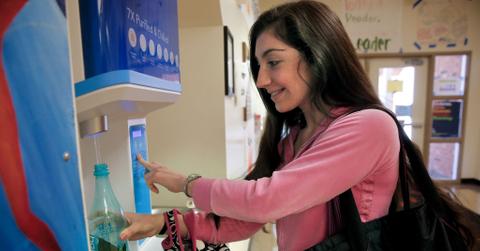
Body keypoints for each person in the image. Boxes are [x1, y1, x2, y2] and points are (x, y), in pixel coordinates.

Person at [119, 1, 473, 250]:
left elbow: (268, 201)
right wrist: (167, 223)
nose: (261, 80)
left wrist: (187, 183)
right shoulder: (294, 137)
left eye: (273, 62)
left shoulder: (368, 127)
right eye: (257, 66)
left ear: (319, 56)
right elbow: (248, 217)